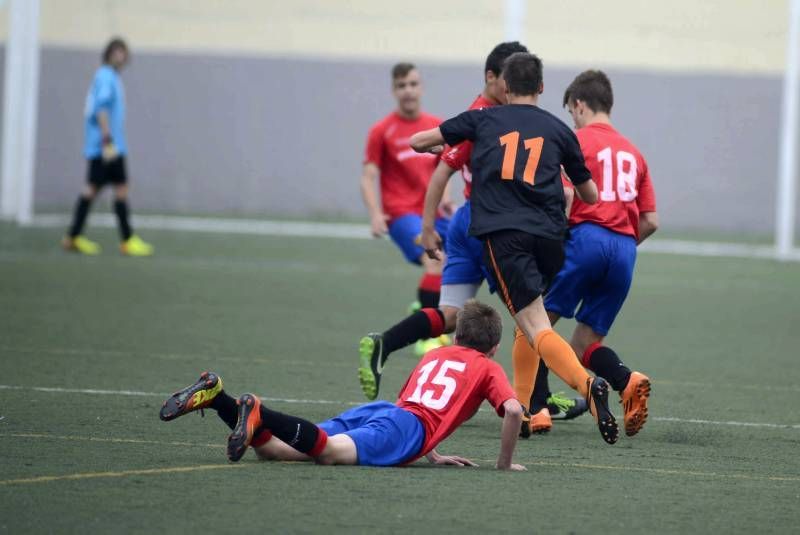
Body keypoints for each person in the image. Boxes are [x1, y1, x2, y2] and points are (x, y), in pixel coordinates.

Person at [357, 42, 584, 422]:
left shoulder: (491, 116)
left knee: (450, 315)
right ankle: (539, 401)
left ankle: (384, 342)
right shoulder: (487, 117)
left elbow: (440, 159)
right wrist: (427, 226)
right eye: (507, 79)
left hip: (468, 220)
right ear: (494, 80)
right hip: (491, 225)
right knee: (532, 315)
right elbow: (444, 168)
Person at [410, 52, 619, 445]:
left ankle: (588, 388)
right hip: (551, 241)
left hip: (506, 237)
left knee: (536, 326)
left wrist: (431, 147)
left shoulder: (483, 119)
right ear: (541, 87)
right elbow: (588, 193)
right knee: (529, 325)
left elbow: (419, 140)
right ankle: (522, 410)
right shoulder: (560, 130)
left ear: (504, 88)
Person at [160, 300, 526, 471]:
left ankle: (218, 398)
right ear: (493, 346)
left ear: (457, 334)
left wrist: (432, 452)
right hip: (402, 428)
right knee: (329, 453)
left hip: (384, 413)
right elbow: (512, 410)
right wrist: (504, 464)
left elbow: (415, 401)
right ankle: (257, 409)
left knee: (274, 450)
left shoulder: (434, 355)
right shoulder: (488, 366)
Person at [527, 70, 658, 437]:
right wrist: (621, 246)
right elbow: (651, 220)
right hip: (624, 249)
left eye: (571, 111)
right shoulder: (635, 153)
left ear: (579, 104)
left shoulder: (576, 140)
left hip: (585, 240)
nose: (572, 118)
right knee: (585, 343)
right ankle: (625, 380)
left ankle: (536, 410)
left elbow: (565, 195)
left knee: (537, 325)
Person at [359, 63, 451, 325]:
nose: (408, 91)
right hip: (403, 217)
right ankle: (430, 333)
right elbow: (368, 176)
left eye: (412, 84)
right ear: (393, 91)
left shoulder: (436, 126)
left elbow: (446, 167)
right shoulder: (381, 131)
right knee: (435, 258)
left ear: (421, 88)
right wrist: (376, 214)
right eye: (401, 86)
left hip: (433, 212)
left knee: (463, 261)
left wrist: (446, 200)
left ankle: (424, 310)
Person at [62, 37, 153, 257]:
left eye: (123, 52)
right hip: (107, 146)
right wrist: (107, 141)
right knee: (98, 189)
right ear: (108, 54)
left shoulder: (110, 77)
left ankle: (79, 237)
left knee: (113, 188)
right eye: (116, 51)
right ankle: (121, 240)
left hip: (111, 145)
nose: (120, 56)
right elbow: (100, 109)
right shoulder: (105, 76)